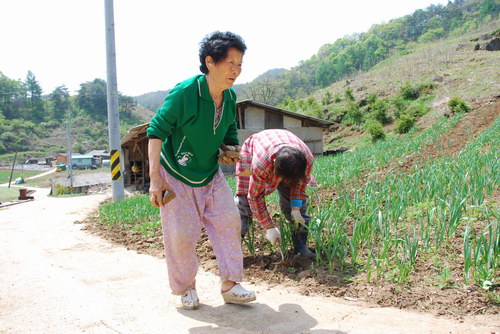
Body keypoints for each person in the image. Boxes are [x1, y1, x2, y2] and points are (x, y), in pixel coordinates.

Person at [146, 31, 255, 310]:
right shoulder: (185, 93)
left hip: (209, 174)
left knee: (229, 222)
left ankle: (231, 284)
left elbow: (229, 126)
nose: (236, 70)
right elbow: (155, 132)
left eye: (240, 64)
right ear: (210, 62)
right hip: (176, 175)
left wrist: (230, 149)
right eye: (230, 62)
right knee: (181, 235)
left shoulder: (229, 97)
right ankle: (186, 288)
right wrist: (155, 179)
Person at [235, 129, 316, 258]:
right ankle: (232, 251)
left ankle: (301, 247)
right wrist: (269, 227)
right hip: (252, 152)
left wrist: (295, 208)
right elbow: (255, 197)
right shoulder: (261, 164)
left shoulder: (307, 161)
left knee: (300, 210)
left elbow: (299, 185)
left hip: (284, 157)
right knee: (244, 203)